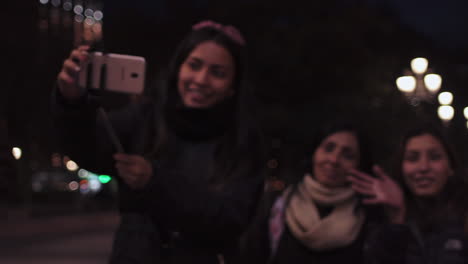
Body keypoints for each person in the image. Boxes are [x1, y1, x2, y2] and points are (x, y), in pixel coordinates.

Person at [52, 20, 265, 263]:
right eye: (194, 65)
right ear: (178, 68)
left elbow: (231, 218)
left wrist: (155, 182)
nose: (201, 79)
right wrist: (71, 102)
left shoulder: (243, 140)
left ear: (233, 87)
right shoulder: (146, 117)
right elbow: (88, 149)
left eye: (218, 73)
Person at [240, 122, 378, 264]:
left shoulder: (369, 216)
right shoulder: (278, 204)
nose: (334, 160)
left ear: (360, 165)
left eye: (348, 156)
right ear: (314, 152)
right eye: (328, 149)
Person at [348, 123, 468, 264]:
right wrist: (396, 218)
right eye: (413, 158)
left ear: (451, 167)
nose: (423, 167)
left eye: (435, 157)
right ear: (401, 167)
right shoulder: (380, 215)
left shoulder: (463, 212)